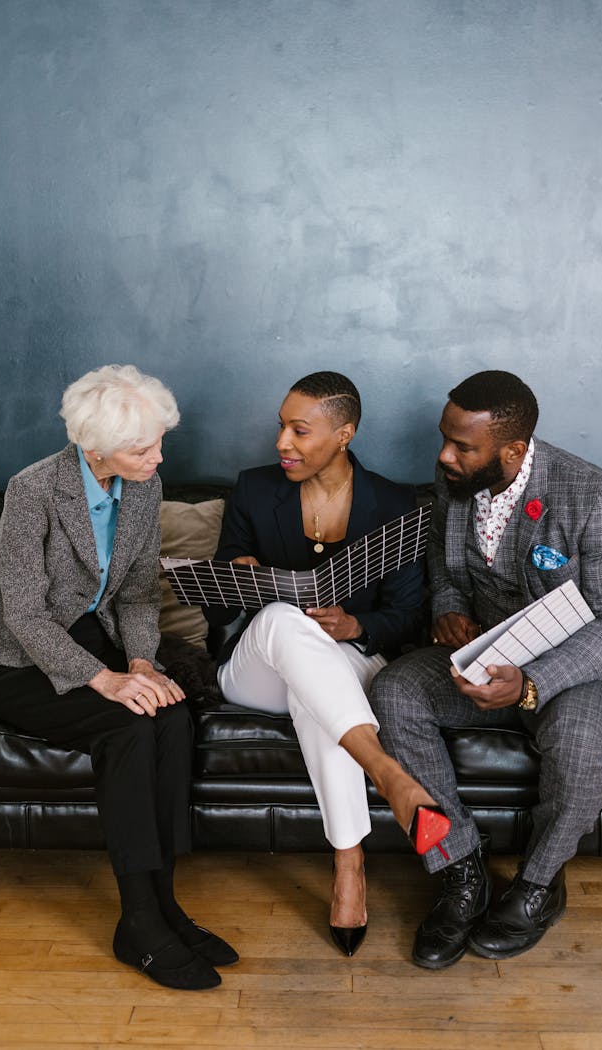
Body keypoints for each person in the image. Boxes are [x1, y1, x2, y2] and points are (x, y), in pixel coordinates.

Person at [370, 369, 602, 969]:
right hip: (489, 654)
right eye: (443, 439)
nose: (444, 456)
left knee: (577, 742)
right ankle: (459, 868)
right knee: (396, 689)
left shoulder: (593, 495)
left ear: (513, 450)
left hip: (581, 664)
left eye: (461, 446)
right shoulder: (454, 480)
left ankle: (537, 886)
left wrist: (532, 684)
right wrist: (449, 611)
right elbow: (446, 570)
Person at [0, 364, 238, 991]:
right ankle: (138, 923)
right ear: (94, 447)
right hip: (15, 657)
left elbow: (139, 595)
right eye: (141, 447)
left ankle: (167, 903)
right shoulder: (32, 490)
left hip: (94, 639)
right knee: (126, 727)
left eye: (159, 442)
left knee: (172, 716)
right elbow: (24, 613)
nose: (158, 457)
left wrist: (141, 663)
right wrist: (105, 680)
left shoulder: (144, 487)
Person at [203, 370, 451, 956]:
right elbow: (216, 611)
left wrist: (356, 624)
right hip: (256, 666)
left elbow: (410, 615)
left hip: (348, 664)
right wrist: (235, 582)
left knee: (316, 690)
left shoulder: (392, 504)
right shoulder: (254, 489)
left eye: (299, 430)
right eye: (280, 428)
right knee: (287, 621)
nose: (281, 444)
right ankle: (387, 775)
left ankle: (348, 865)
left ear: (344, 434)